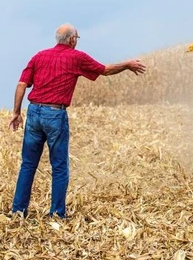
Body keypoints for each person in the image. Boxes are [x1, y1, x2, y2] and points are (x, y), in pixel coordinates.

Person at [9, 24, 147, 219]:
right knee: (59, 167)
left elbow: (22, 84)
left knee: (28, 164)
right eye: (77, 38)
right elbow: (105, 70)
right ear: (72, 39)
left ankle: (18, 211)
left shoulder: (39, 56)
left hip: (33, 112)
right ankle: (57, 214)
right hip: (55, 114)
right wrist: (127, 64)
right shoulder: (76, 57)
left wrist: (16, 112)